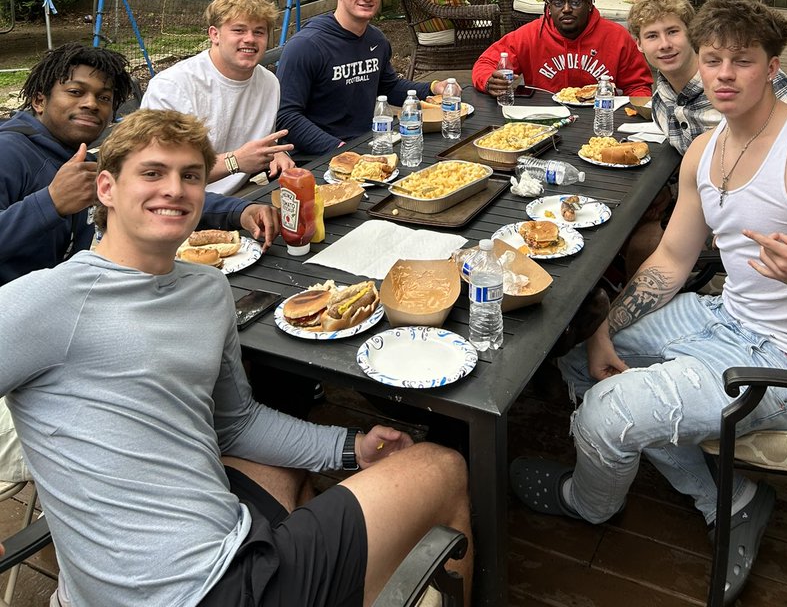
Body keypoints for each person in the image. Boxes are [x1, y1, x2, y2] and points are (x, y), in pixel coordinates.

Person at [510, 0, 787, 605]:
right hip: (727, 318)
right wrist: (607, 329)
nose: (722, 74)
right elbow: (669, 259)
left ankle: (587, 505)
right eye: (713, 59)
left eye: (741, 61)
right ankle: (731, 497)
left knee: (604, 415)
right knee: (574, 354)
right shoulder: (704, 149)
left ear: (773, 68)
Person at [0, 109, 472, 606]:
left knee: (286, 472)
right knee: (442, 466)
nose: (175, 190)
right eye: (152, 173)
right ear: (106, 189)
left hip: (224, 542)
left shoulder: (207, 287)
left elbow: (236, 423)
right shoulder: (49, 301)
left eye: (191, 176)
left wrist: (352, 447)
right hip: (195, 591)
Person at [0, 43, 279, 288]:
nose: (91, 104)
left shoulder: (82, 159)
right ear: (39, 100)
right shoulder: (10, 152)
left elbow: (154, 196)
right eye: (75, 92)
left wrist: (240, 210)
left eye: (104, 98)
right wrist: (50, 203)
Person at [276, 0, 447, 156]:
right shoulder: (306, 46)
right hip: (315, 158)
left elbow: (389, 87)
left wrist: (433, 87)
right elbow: (286, 116)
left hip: (367, 146)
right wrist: (339, 149)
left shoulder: (377, 40)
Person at [143, 0, 294, 194]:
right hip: (180, 201)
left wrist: (274, 154)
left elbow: (261, 142)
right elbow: (159, 173)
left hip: (241, 196)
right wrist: (235, 161)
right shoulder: (172, 87)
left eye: (259, 32)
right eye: (239, 30)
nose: (250, 39)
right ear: (214, 34)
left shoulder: (269, 83)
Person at [627, 0, 787, 154]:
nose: (665, 45)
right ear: (639, 44)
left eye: (673, 32)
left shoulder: (749, 79)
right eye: (652, 36)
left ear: (691, 34)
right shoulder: (661, 102)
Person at [472, 0, 652, 97]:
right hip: (543, 120)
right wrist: (489, 80)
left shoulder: (617, 37)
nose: (566, 9)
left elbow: (639, 86)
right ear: (548, 7)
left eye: (575, 2)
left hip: (599, 119)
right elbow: (485, 63)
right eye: (558, 3)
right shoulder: (529, 35)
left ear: (589, 4)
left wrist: (632, 116)